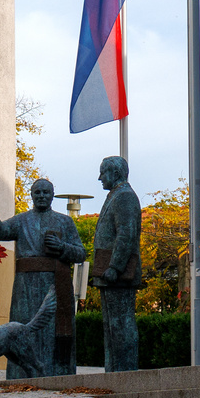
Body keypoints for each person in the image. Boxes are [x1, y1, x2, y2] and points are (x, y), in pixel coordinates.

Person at [0, 178, 85, 378]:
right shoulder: (21, 220)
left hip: (53, 284)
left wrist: (62, 247)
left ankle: (54, 372)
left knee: (50, 330)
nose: (41, 196)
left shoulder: (65, 222)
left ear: (53, 195)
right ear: (31, 195)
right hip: (25, 286)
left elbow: (80, 253)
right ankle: (21, 373)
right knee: (23, 328)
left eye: (46, 192)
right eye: (37, 192)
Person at [89, 155, 141, 372]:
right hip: (108, 272)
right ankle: (114, 371)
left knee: (121, 324)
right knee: (112, 326)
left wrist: (115, 267)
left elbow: (126, 235)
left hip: (118, 274)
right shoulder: (115, 195)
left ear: (116, 173)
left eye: (103, 172)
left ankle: (124, 372)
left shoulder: (125, 197)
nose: (100, 177)